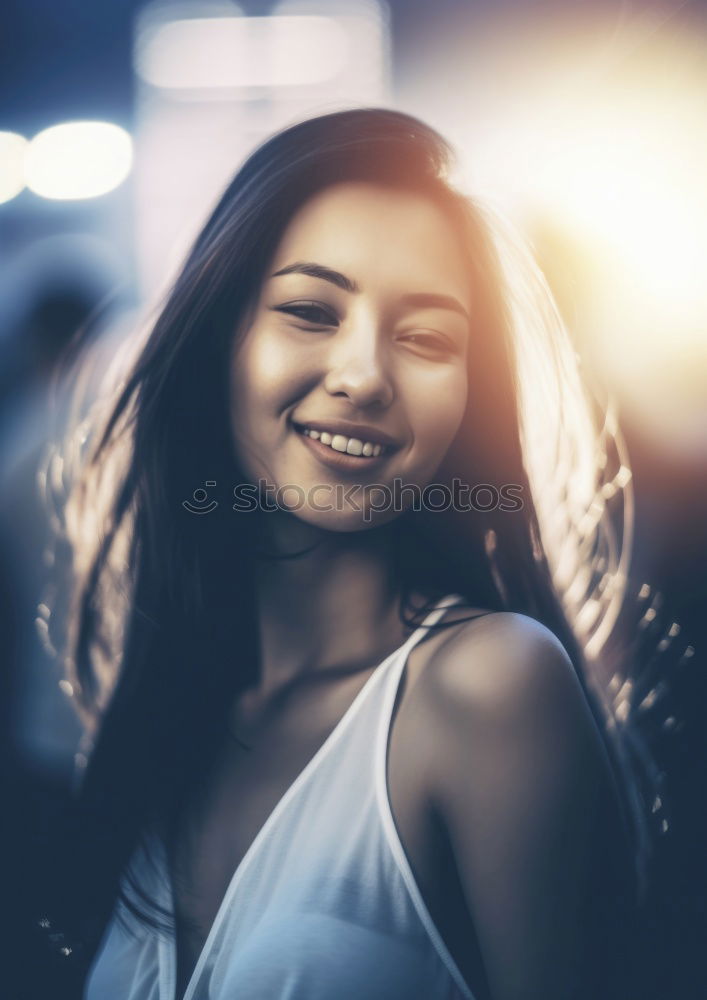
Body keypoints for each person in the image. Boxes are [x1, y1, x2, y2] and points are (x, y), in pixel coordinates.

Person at [44, 109, 642, 1000]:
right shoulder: (162, 717)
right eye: (309, 311)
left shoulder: (489, 688)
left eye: (427, 337)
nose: (363, 375)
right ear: (219, 341)